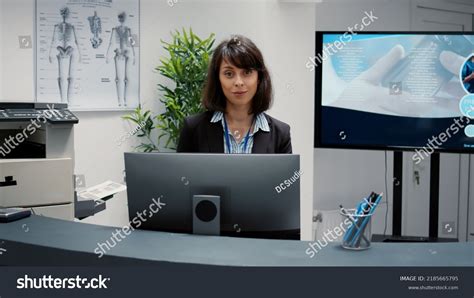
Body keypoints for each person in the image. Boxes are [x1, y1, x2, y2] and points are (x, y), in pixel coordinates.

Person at [177, 35, 292, 154]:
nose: (238, 82)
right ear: (218, 79)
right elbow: (181, 173)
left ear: (259, 78)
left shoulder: (281, 134)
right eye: (229, 74)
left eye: (247, 72)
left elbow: (286, 173)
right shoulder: (193, 128)